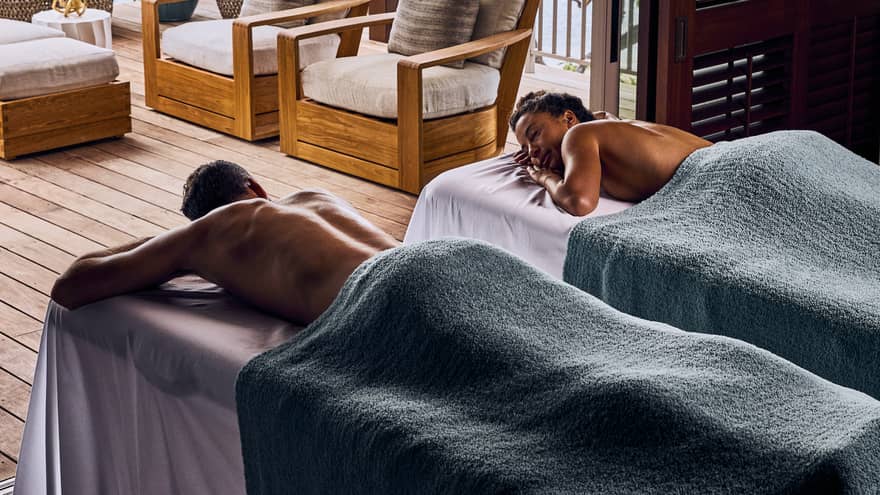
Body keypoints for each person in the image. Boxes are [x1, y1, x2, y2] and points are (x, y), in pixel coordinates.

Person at [50, 160, 400, 325]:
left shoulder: (209, 233)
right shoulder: (317, 196)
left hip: (379, 305)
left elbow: (69, 286)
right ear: (256, 186)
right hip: (420, 262)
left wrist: (170, 243)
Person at [510, 91, 712, 216]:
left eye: (534, 134)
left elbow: (579, 202)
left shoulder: (578, 134)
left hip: (714, 172)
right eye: (525, 148)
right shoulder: (606, 129)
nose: (532, 151)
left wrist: (544, 177)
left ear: (569, 119)